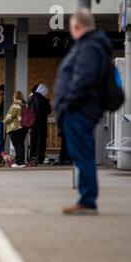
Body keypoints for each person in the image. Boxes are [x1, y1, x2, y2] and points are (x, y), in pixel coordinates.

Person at [54, 9, 111, 216]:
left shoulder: (89, 46)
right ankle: (87, 198)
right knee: (82, 155)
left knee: (83, 156)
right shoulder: (92, 45)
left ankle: (87, 200)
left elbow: (83, 78)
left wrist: (67, 103)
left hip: (79, 109)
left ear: (77, 26)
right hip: (80, 108)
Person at [29, 84, 52, 164]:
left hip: (32, 123)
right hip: (41, 122)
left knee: (33, 139)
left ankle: (32, 156)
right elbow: (48, 111)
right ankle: (40, 158)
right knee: (41, 140)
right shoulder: (43, 99)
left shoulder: (31, 98)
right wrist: (48, 103)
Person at [4, 91, 27, 168]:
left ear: (15, 96)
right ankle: (22, 161)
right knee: (21, 145)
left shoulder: (15, 105)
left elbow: (9, 117)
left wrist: (4, 121)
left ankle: (19, 162)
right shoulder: (24, 105)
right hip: (23, 128)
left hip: (15, 128)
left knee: (17, 146)